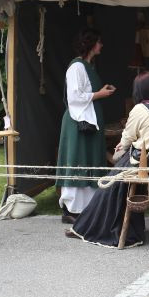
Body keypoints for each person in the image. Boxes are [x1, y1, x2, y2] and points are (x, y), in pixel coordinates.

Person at [67, 72, 149, 247]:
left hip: (146, 163)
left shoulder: (140, 109)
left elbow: (127, 138)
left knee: (109, 185)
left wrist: (120, 150)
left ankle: (86, 227)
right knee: (115, 177)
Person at [55, 28, 115, 223]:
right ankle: (71, 210)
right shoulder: (76, 67)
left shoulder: (88, 66)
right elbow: (74, 97)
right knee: (76, 161)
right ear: (90, 45)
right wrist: (100, 94)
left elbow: (85, 92)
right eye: (99, 42)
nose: (102, 45)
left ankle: (87, 207)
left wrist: (101, 91)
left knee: (89, 161)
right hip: (78, 124)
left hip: (89, 123)